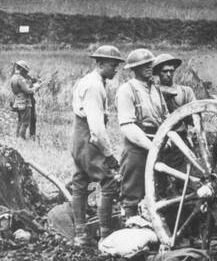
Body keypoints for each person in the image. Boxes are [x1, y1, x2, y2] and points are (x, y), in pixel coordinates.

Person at [70, 45, 125, 247]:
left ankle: (80, 234)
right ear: (100, 63)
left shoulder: (86, 81)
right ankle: (105, 233)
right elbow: (97, 128)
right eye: (113, 65)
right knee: (109, 182)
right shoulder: (94, 86)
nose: (116, 69)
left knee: (79, 183)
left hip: (77, 138)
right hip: (89, 139)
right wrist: (109, 155)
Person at [116, 48, 167, 223]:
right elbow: (128, 125)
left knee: (159, 186)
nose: (148, 68)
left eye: (149, 64)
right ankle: (129, 223)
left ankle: (155, 223)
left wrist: (166, 139)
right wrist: (151, 147)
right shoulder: (126, 90)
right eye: (143, 65)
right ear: (133, 69)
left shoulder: (155, 89)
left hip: (158, 140)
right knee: (133, 187)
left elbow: (166, 117)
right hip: (137, 145)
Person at [8, 60, 40, 140]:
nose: (26, 73)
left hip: (18, 101)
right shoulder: (20, 78)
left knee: (20, 121)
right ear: (22, 69)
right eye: (25, 71)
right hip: (25, 102)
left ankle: (18, 137)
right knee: (25, 122)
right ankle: (22, 138)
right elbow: (28, 91)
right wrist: (36, 87)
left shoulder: (13, 77)